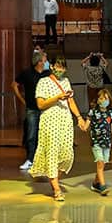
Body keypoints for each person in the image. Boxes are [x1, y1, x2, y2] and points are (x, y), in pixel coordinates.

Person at [31, 56, 89, 201]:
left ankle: (54, 178)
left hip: (65, 121)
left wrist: (79, 117)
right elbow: (40, 105)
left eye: (63, 67)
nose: (60, 70)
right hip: (50, 122)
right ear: (52, 66)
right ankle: (56, 188)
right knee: (52, 152)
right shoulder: (43, 82)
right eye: (58, 66)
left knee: (67, 154)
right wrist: (57, 97)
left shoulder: (66, 82)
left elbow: (71, 101)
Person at [13, 49, 50, 171]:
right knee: (31, 134)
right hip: (32, 109)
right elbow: (14, 85)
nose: (46, 62)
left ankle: (43, 159)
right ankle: (30, 159)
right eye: (44, 60)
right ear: (39, 62)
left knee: (44, 135)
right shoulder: (27, 73)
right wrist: (22, 100)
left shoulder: (48, 73)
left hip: (45, 109)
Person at [87, 88, 112, 195]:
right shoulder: (93, 113)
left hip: (107, 143)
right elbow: (86, 124)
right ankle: (102, 186)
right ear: (97, 100)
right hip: (96, 142)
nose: (103, 100)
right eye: (101, 98)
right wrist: (81, 124)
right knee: (100, 162)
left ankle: (96, 182)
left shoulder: (111, 114)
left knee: (103, 163)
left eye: (106, 98)